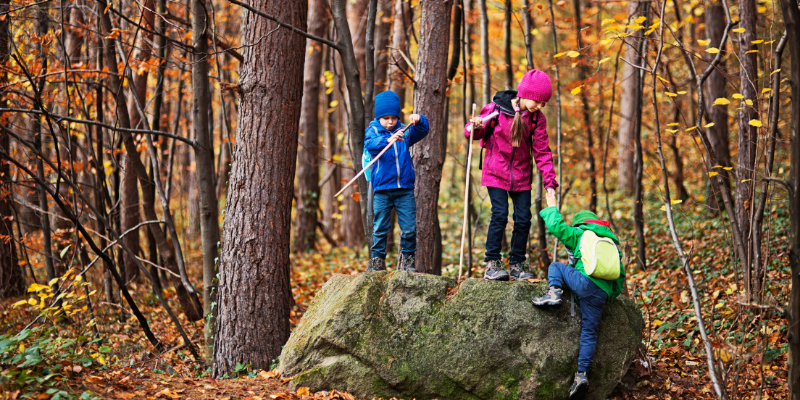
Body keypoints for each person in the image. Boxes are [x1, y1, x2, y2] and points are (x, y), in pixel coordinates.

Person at [464, 69, 558, 281]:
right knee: (499, 214)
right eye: (538, 101)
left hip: (522, 175)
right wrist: (475, 126)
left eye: (544, 103)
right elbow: (472, 132)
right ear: (525, 93)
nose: (540, 106)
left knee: (524, 218)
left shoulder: (536, 119)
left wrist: (549, 182)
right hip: (496, 172)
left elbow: (542, 151)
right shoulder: (496, 109)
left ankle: (517, 263)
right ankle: (492, 263)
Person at [532, 190, 626, 400]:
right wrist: (610, 296)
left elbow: (557, 227)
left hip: (584, 283)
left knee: (556, 266)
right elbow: (619, 276)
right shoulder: (612, 244)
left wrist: (550, 206)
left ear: (580, 224)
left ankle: (554, 293)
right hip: (601, 294)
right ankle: (581, 375)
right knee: (589, 332)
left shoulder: (581, 234)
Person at [363, 91, 429, 273]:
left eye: (393, 118)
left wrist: (420, 119)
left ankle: (408, 261)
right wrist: (387, 139)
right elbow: (371, 144)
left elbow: (423, 130)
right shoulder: (373, 131)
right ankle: (377, 260)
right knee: (380, 227)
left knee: (408, 228)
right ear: (379, 117)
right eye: (386, 118)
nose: (390, 122)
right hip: (382, 189)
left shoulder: (404, 132)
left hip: (404, 189)